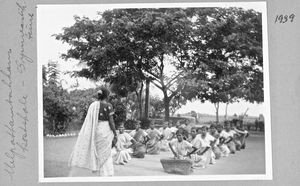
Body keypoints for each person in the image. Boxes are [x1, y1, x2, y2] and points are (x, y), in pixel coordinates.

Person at [68, 87, 117, 177]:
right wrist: (115, 133)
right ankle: (106, 173)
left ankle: (97, 170)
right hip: (105, 130)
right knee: (106, 151)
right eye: (109, 95)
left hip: (97, 130)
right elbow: (111, 122)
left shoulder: (93, 105)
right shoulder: (109, 106)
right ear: (106, 95)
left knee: (98, 151)